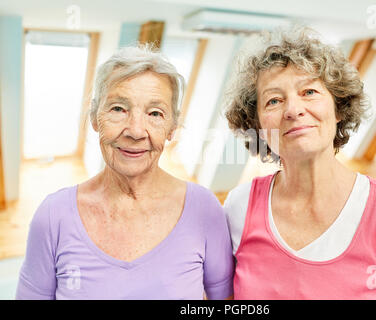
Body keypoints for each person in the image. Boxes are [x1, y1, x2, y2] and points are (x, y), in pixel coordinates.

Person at [223, 27, 376, 299]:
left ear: (339, 108)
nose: (293, 110)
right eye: (274, 100)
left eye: (308, 92)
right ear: (257, 126)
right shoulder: (239, 207)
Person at [16, 45, 234, 300]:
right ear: (95, 118)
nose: (135, 131)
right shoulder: (53, 216)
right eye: (118, 109)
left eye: (155, 113)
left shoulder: (205, 209)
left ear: (172, 128)